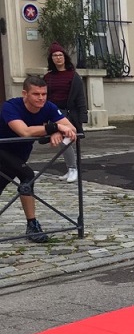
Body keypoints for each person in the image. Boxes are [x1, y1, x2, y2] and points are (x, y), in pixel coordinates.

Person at [0, 75, 78, 242]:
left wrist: (57, 131)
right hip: (2, 149)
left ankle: (32, 225)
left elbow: (71, 128)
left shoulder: (48, 107)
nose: (41, 98)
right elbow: (25, 132)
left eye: (44, 94)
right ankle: (32, 225)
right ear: (25, 94)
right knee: (27, 176)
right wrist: (54, 127)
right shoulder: (10, 107)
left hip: (19, 154)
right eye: (36, 94)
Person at [43, 43, 87, 183]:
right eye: (55, 56)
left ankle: (73, 169)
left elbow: (80, 97)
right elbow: (45, 97)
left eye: (60, 55)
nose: (58, 58)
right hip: (54, 113)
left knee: (65, 140)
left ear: (65, 57)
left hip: (69, 114)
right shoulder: (48, 77)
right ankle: (71, 169)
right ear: (52, 59)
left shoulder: (73, 76)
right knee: (61, 141)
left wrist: (82, 117)